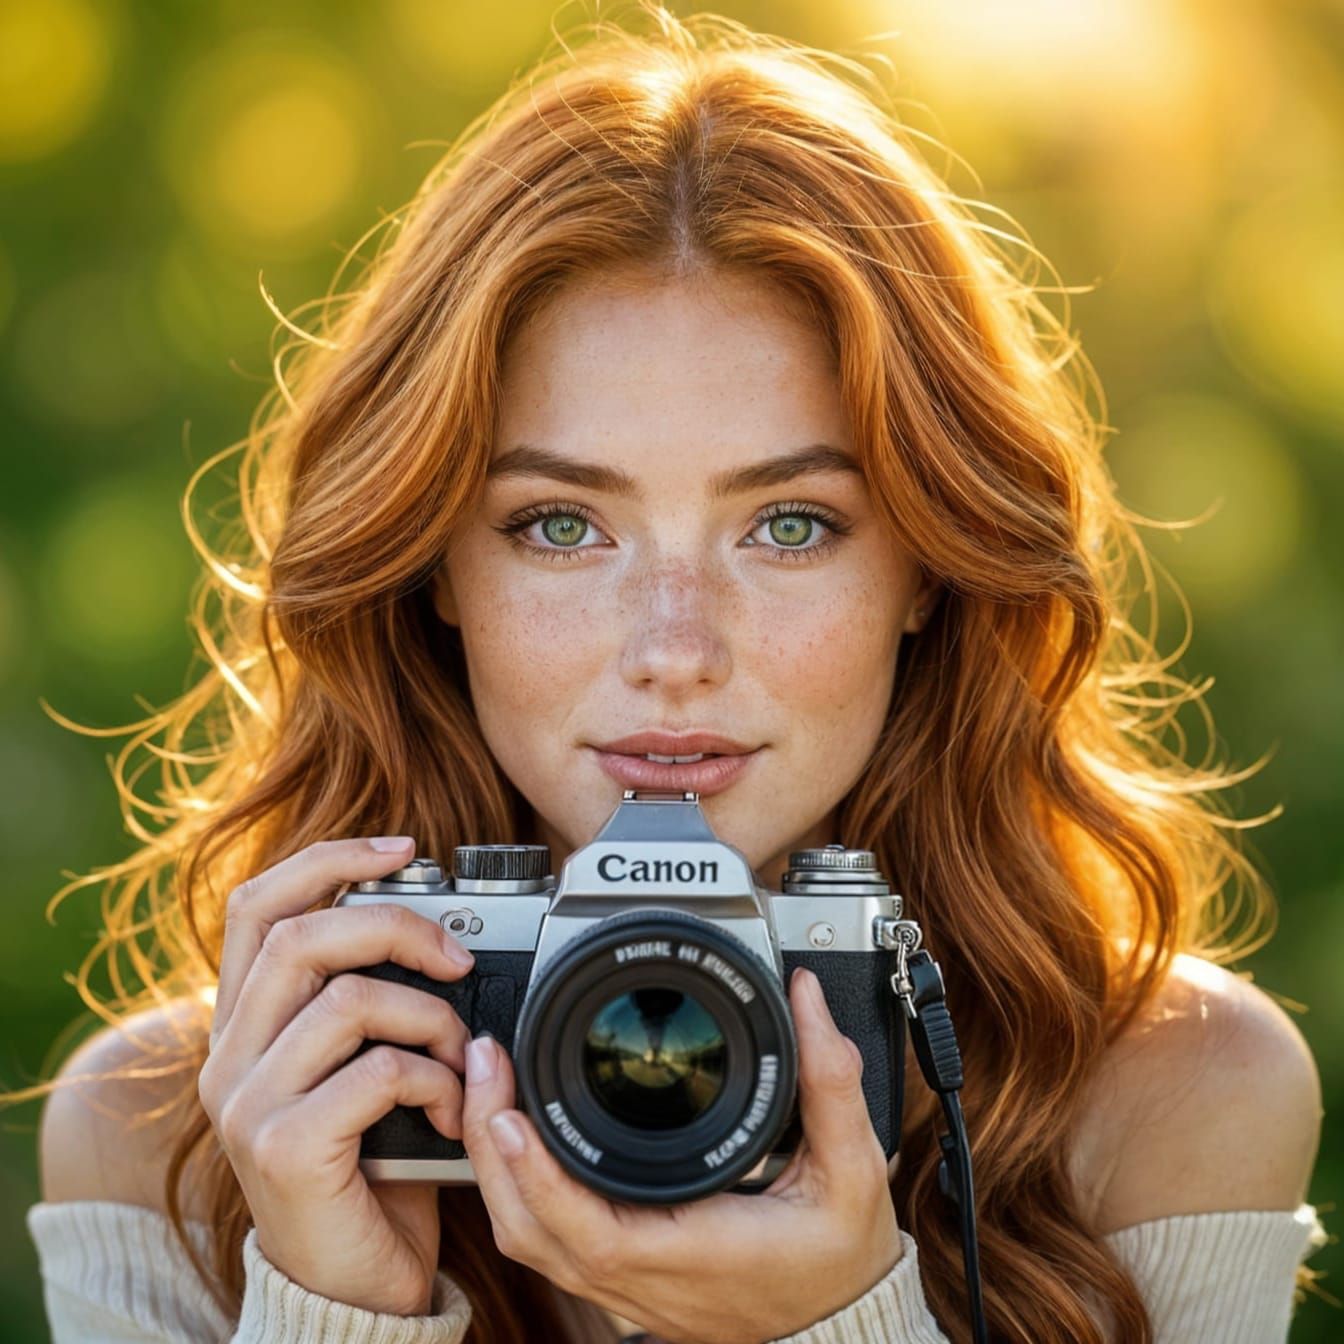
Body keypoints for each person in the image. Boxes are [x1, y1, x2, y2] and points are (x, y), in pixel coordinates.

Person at [9, 6, 1327, 1343]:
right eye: (561, 527)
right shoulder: (177, 1130)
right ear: (434, 569)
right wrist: (337, 1306)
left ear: (930, 562)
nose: (675, 654)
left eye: (791, 525)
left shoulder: (1167, 1097)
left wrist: (843, 1321)